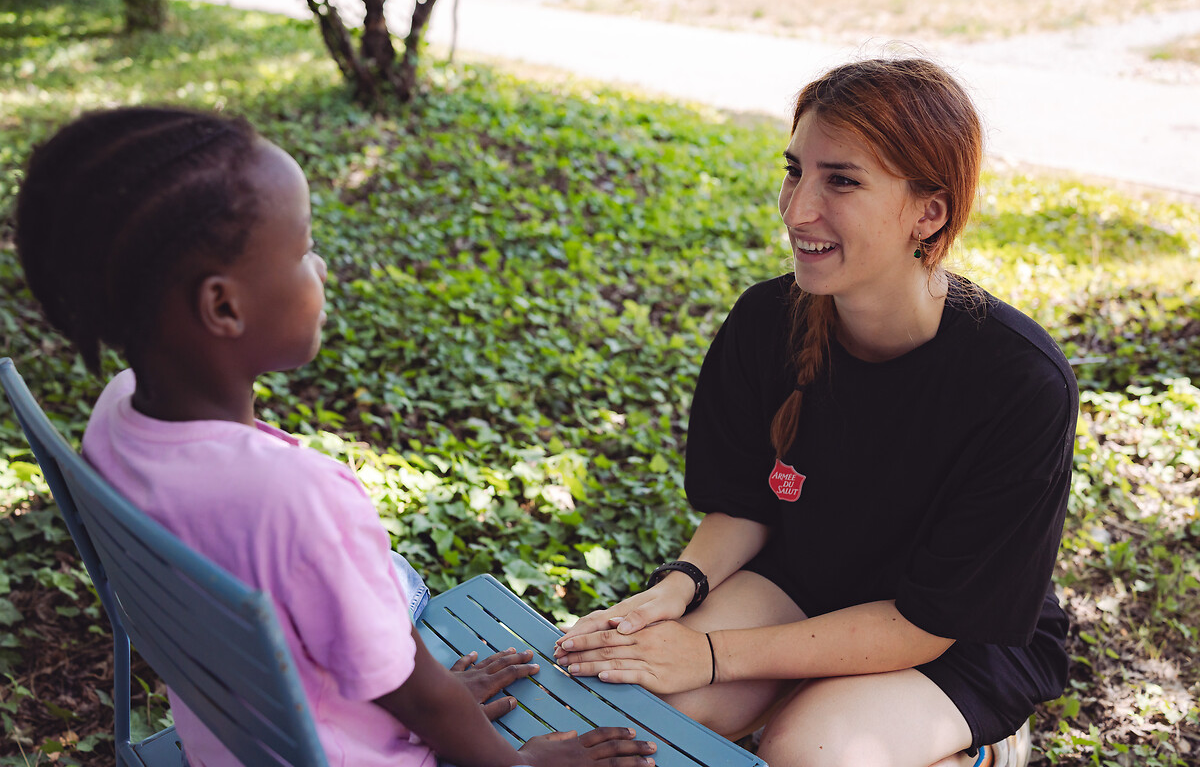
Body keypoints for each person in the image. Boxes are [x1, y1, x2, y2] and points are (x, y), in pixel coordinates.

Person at [14, 106, 657, 767]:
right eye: (302, 250)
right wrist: (520, 762)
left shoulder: (116, 414)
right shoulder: (294, 498)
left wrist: (433, 687)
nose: (320, 270)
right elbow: (424, 702)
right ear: (224, 307)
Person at [554, 58, 1078, 767]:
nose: (798, 209)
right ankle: (792, 692)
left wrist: (709, 652)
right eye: (795, 170)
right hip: (807, 582)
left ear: (930, 211)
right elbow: (746, 503)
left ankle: (975, 750)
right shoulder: (765, 321)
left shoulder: (1021, 383)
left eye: (842, 180)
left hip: (956, 633)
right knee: (642, 710)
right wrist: (674, 591)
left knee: (811, 749)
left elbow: (927, 622)